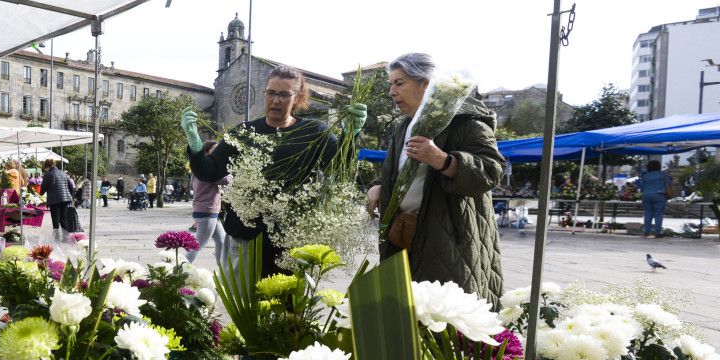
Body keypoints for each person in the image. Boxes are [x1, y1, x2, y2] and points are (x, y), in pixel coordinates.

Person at [182, 64, 366, 275]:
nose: (276, 100)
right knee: (245, 304)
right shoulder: (244, 132)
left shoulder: (315, 132)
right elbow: (210, 172)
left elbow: (341, 172)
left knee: (288, 306)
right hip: (245, 237)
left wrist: (349, 137)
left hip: (293, 240)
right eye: (271, 93)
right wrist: (195, 144)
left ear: (297, 97)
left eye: (284, 94)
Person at [365, 52, 504, 307]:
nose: (391, 92)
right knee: (405, 318)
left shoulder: (466, 121)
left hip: (448, 242)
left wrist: (443, 160)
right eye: (390, 85)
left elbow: (492, 171)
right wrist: (378, 185)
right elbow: (398, 171)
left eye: (399, 83)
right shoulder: (403, 126)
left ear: (425, 83)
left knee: (443, 326)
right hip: (403, 238)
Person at [186, 141, 232, 265]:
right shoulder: (208, 167)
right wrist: (234, 174)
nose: (218, 151)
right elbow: (224, 180)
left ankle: (222, 270)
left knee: (221, 241)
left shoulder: (200, 166)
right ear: (206, 151)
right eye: (215, 149)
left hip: (209, 210)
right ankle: (178, 271)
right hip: (207, 210)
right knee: (198, 245)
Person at [42, 158, 73, 240]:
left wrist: (41, 193)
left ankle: (56, 238)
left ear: (47, 167)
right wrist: (70, 196)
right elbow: (71, 186)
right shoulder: (63, 173)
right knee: (63, 218)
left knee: (55, 219)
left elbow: (42, 189)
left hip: (54, 200)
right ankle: (66, 237)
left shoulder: (48, 174)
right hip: (65, 199)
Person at [639, 160, 671, 238]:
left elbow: (641, 186)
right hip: (659, 195)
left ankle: (646, 232)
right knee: (658, 214)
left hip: (646, 195)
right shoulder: (663, 174)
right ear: (659, 167)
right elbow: (669, 184)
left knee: (647, 214)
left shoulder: (645, 175)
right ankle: (657, 232)